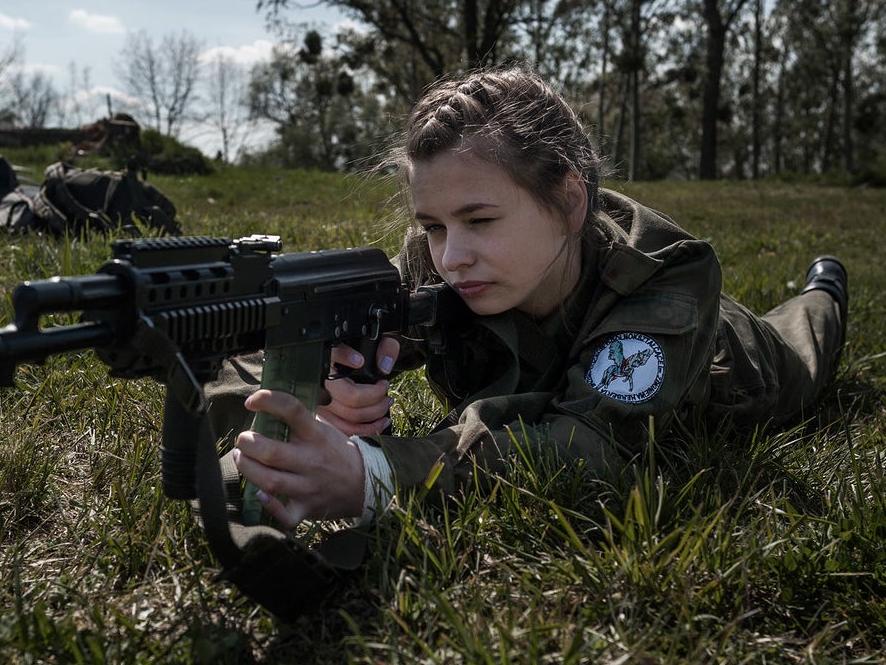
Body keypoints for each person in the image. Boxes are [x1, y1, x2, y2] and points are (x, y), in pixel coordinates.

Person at [223, 66, 847, 530]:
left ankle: (825, 285)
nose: (452, 256)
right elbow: (271, 353)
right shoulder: (443, 264)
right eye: (433, 225)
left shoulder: (666, 277)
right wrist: (327, 381)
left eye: (482, 220)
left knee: (809, 327)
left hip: (737, 358)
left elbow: (590, 449)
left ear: (570, 201)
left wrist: (377, 473)